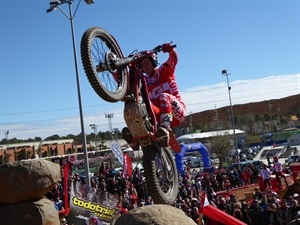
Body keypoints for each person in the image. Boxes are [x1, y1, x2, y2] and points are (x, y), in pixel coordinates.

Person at [122, 43, 186, 148]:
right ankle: (135, 137)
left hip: (176, 111)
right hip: (158, 115)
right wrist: (116, 70)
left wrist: (170, 51)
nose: (145, 67)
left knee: (164, 96)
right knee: (137, 104)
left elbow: (173, 60)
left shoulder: (164, 70)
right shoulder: (143, 81)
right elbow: (126, 82)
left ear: (153, 61)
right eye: (142, 65)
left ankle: (165, 129)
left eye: (147, 63)